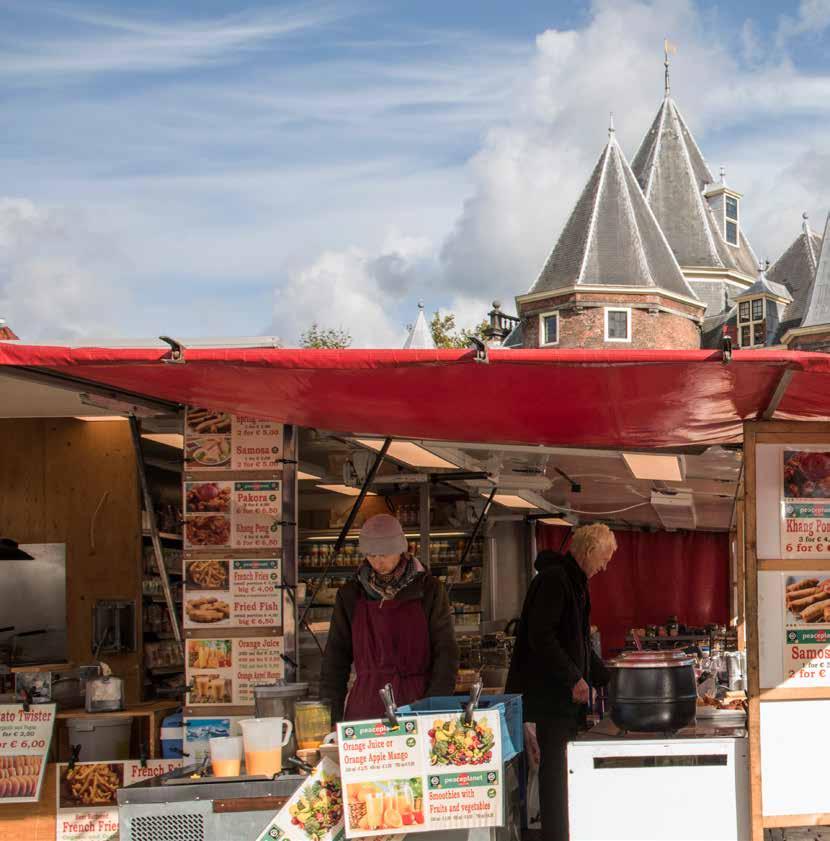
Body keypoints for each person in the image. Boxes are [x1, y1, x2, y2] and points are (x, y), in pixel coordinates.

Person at [505, 523, 617, 841]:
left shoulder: (574, 582)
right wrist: (573, 678)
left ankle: (565, 832)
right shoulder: (555, 581)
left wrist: (609, 676)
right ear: (589, 551)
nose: (604, 566)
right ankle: (556, 835)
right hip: (549, 698)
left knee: (562, 773)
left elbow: (579, 642)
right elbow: (542, 637)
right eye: (604, 558)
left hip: (561, 698)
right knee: (555, 776)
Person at [320, 513, 459, 722]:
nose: (378, 562)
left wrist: (435, 706)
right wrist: (330, 717)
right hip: (366, 707)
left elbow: (446, 652)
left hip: (418, 704)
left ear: (400, 549)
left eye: (384, 554)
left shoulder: (429, 590)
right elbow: (335, 659)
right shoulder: (350, 595)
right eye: (371, 555)